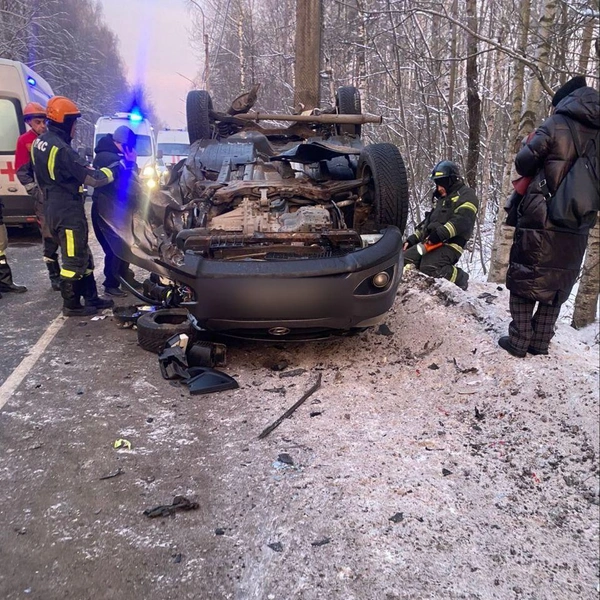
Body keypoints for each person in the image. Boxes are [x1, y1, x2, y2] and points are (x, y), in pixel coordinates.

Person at [499, 76, 600, 357]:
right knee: (557, 282)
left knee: (524, 276)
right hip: (578, 219)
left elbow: (524, 161)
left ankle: (519, 340)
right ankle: (540, 341)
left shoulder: (555, 125)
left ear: (565, 102)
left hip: (542, 214)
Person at [31, 95, 120, 317]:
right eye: (74, 122)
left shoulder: (40, 142)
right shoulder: (63, 151)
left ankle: (91, 297)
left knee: (82, 253)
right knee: (73, 259)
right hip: (67, 209)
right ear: (65, 122)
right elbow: (93, 179)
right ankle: (71, 304)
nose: (76, 128)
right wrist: (113, 171)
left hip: (51, 203)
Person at [403, 160, 478, 290]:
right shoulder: (441, 200)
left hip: (451, 244)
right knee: (402, 259)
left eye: (441, 183)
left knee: (429, 268)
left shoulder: (467, 195)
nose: (439, 188)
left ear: (451, 180)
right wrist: (412, 239)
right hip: (431, 242)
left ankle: (460, 277)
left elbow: (462, 220)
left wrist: (440, 234)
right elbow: (428, 225)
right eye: (437, 184)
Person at [91, 125, 142, 296]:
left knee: (124, 245)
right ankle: (111, 283)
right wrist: (131, 164)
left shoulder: (110, 155)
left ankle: (124, 277)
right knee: (114, 247)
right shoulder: (109, 158)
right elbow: (129, 185)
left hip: (114, 208)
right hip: (108, 210)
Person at [15, 102, 61, 291]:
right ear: (29, 123)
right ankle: (54, 275)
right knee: (49, 236)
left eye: (44, 122)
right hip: (44, 198)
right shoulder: (25, 141)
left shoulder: (53, 139)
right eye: (38, 122)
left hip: (58, 196)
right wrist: (36, 192)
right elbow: (22, 170)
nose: (42, 126)